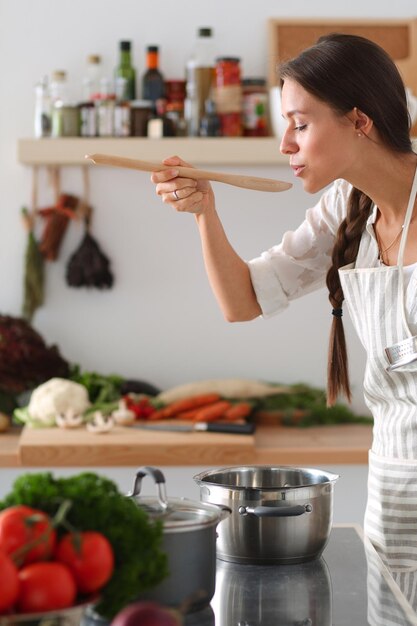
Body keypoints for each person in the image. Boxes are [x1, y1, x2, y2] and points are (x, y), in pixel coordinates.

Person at [151, 33, 417, 597]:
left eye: (300, 123)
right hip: (394, 490)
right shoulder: (346, 208)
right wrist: (204, 213)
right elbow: (242, 301)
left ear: (359, 121)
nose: (284, 144)